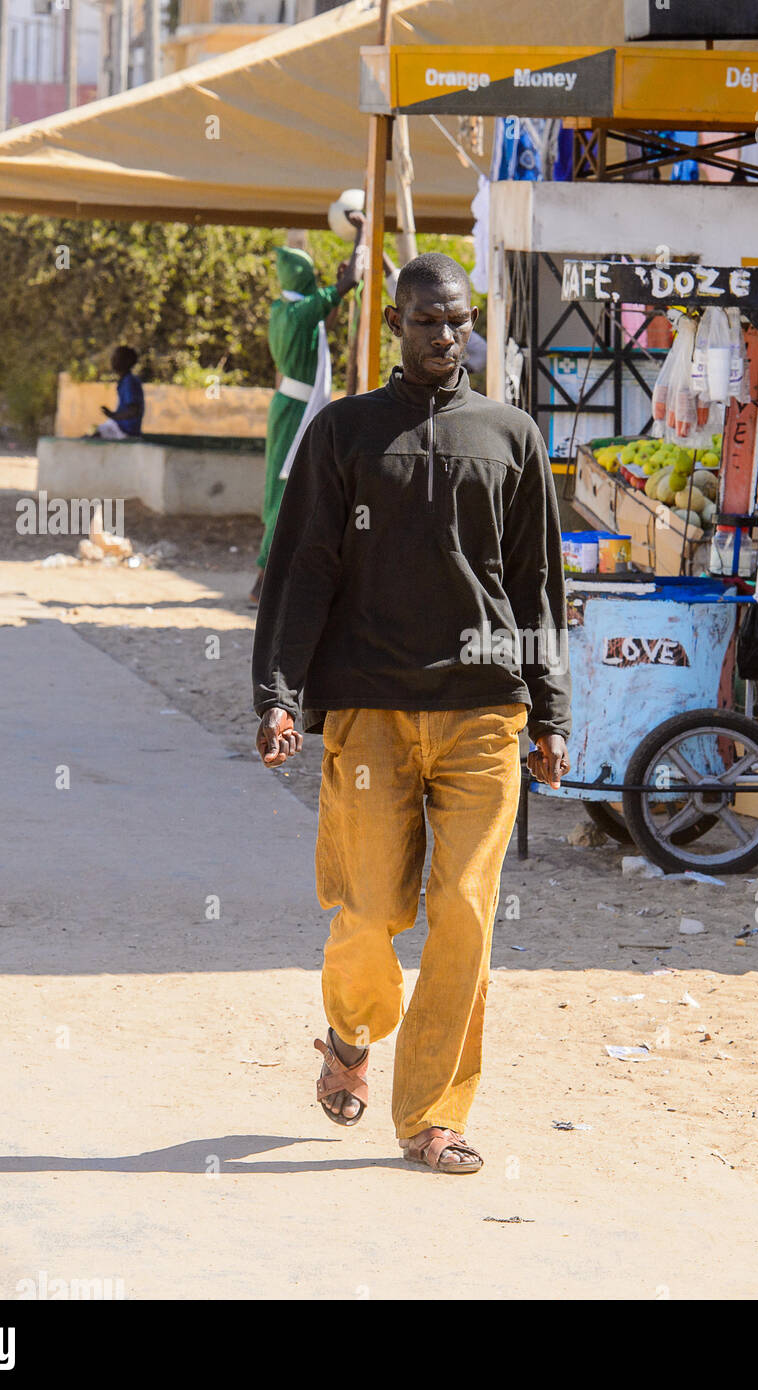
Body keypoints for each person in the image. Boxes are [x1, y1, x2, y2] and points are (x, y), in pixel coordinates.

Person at [252, 252, 572, 1175]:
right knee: (368, 910)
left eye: (459, 321)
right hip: (371, 715)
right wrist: (278, 696)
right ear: (396, 326)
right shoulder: (346, 433)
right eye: (427, 321)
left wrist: (548, 711)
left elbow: (537, 585)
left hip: (483, 715)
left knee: (465, 912)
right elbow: (303, 567)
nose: (446, 335)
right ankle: (351, 1031)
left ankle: (432, 1115)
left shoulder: (512, 437)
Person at [250, 225, 367, 604]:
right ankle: (264, 578)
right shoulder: (302, 309)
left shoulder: (284, 309)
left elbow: (322, 326)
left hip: (286, 404)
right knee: (288, 486)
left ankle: (272, 574)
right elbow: (352, 280)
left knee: (280, 485)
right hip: (298, 409)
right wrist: (363, 228)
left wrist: (332, 294)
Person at [93, 346, 143, 439]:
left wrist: (113, 415)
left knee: (93, 439)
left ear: (127, 361)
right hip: (120, 427)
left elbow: (134, 411)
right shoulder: (125, 381)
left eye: (116, 357)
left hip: (125, 430)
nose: (112, 360)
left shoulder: (129, 381)